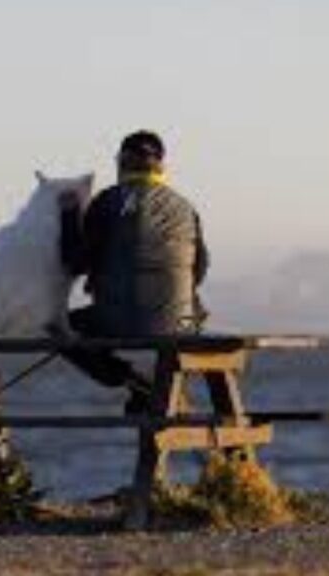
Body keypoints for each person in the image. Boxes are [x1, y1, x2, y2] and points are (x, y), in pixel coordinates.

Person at [57, 130, 210, 412]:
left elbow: (74, 264)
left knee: (56, 328)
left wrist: (69, 215)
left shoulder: (107, 202)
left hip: (118, 323)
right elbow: (198, 272)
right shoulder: (186, 208)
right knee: (192, 309)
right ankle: (150, 390)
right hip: (183, 327)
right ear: (161, 166)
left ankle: (129, 380)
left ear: (121, 163)